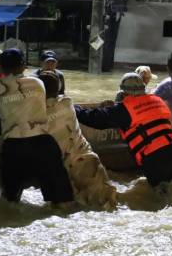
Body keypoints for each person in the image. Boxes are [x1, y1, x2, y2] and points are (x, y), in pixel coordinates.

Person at [0, 49, 73, 205]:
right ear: (24, 66)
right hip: (44, 145)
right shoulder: (38, 82)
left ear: (1, 68)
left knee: (10, 202)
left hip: (14, 148)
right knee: (61, 200)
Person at [76, 73, 172, 190]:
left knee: (163, 197)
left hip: (157, 159)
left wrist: (74, 108)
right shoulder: (158, 101)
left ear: (123, 92)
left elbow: (95, 119)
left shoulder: (125, 110)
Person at [39, 72, 116, 209]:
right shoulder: (67, 102)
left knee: (68, 210)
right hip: (89, 160)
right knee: (107, 206)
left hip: (66, 169)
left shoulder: (36, 113)